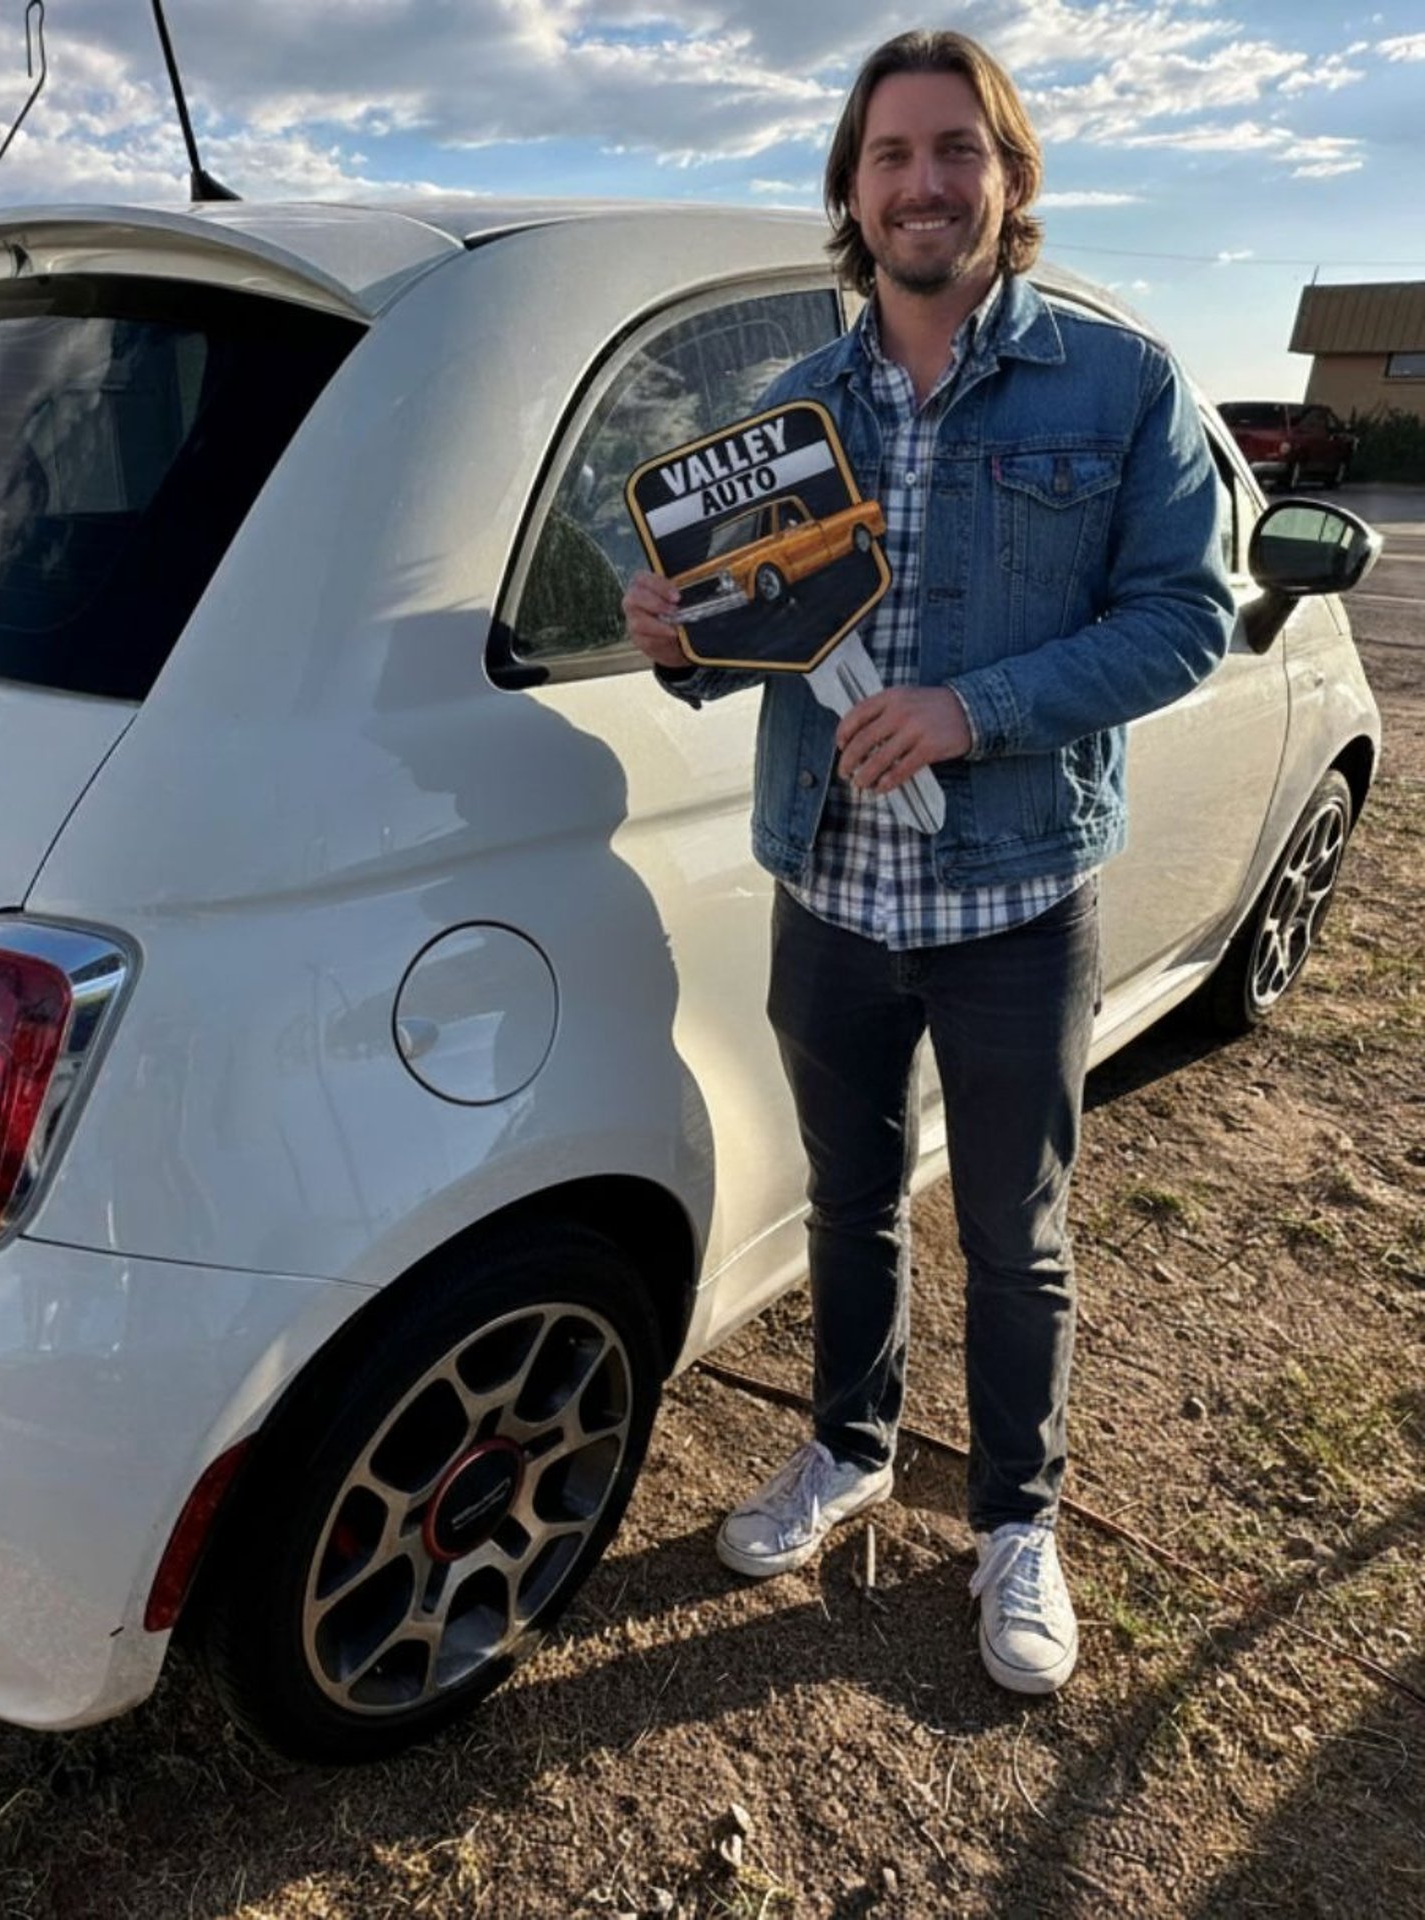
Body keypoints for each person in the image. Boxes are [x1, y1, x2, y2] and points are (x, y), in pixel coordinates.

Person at [622, 28, 1233, 1695]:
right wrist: (674, 636)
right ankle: (850, 1447)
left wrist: (975, 711)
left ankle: (1017, 1521)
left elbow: (1185, 618)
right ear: (853, 186)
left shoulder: (1119, 385)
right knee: (848, 1200)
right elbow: (736, 648)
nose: (922, 183)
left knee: (1015, 1234)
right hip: (830, 890)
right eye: (890, 154)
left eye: (956, 148)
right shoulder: (789, 411)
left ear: (1009, 177)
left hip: (1017, 895)